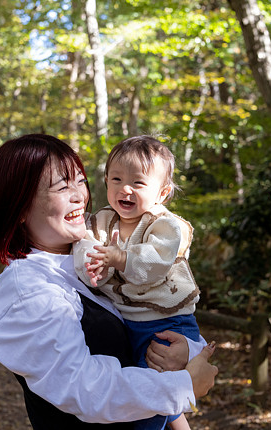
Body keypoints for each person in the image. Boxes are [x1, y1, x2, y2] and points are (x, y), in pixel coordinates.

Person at [0, 133, 217, 429]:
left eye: (80, 181)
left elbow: (150, 318)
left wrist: (185, 351)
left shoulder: (87, 258)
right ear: (20, 207)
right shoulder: (29, 290)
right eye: (62, 186)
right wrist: (183, 385)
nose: (79, 196)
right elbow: (86, 390)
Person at [73, 135, 201, 430]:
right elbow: (86, 245)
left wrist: (119, 258)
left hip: (166, 322)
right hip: (127, 321)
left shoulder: (164, 225)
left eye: (138, 183)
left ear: (163, 192)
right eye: (116, 179)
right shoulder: (102, 221)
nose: (125, 189)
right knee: (144, 388)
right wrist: (91, 267)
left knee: (152, 398)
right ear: (105, 182)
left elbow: (155, 262)